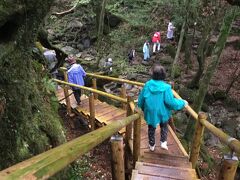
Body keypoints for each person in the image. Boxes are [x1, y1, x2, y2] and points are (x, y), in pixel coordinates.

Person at [138, 64, 187, 151]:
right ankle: (163, 142)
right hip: (163, 111)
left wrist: (142, 108)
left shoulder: (147, 85)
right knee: (164, 126)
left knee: (151, 128)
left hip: (150, 111)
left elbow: (141, 99)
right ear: (163, 75)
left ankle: (151, 145)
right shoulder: (166, 87)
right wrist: (183, 102)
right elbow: (171, 102)